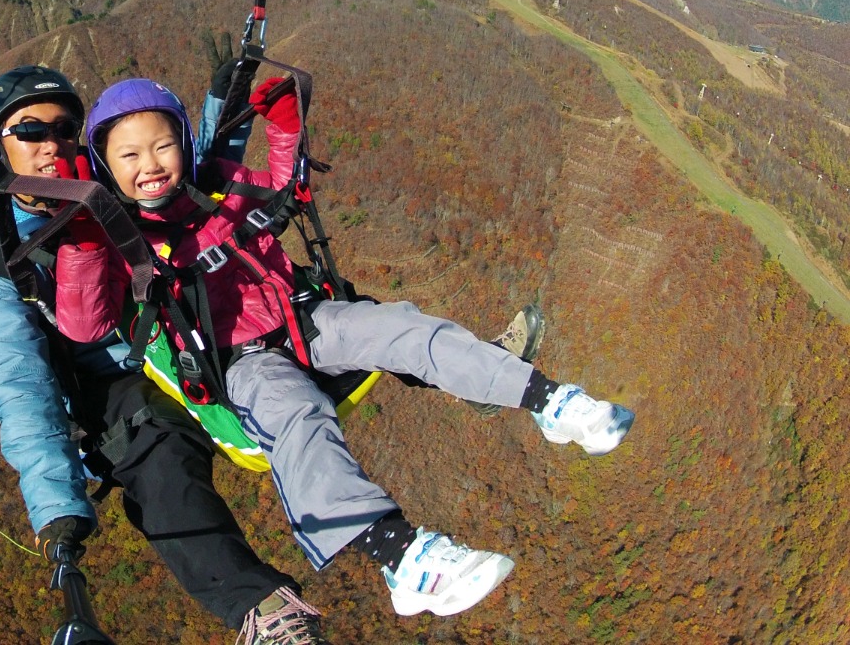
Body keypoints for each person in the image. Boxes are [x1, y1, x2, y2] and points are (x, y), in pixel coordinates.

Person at [54, 77, 636, 620]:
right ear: (106, 164)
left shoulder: (217, 187)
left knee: (400, 328)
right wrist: (82, 239)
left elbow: (282, 189)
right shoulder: (116, 243)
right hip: (239, 364)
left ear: (183, 142)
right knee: (298, 417)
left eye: (162, 146)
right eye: (129, 156)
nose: (151, 166)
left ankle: (551, 403)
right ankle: (404, 559)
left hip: (303, 319)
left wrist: (286, 127)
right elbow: (84, 325)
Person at [0, 65, 328, 644]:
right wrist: (58, 508)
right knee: (157, 459)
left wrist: (224, 97)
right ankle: (263, 610)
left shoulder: (108, 187)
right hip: (121, 377)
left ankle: (470, 366)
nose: (51, 143)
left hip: (189, 328)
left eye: (65, 128)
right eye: (29, 130)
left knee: (316, 321)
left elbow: (181, 172)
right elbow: (18, 381)